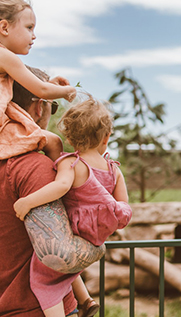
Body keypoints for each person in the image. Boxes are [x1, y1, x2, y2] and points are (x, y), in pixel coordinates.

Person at [14, 98, 133, 317]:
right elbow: (123, 204)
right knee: (68, 269)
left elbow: (60, 187)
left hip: (75, 229)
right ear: (106, 137)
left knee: (43, 280)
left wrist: (27, 202)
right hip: (95, 236)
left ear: (69, 137)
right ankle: (86, 300)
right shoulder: (114, 169)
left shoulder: (72, 163)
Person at [0, 66, 100, 317]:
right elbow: (61, 257)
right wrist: (98, 247)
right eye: (51, 106)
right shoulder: (34, 168)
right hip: (34, 308)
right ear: (38, 107)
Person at [0, 0, 76, 161]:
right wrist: (67, 92)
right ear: (4, 27)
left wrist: (48, 85)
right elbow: (41, 91)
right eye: (29, 27)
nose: (34, 35)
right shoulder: (5, 56)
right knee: (54, 141)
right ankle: (60, 182)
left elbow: (34, 87)